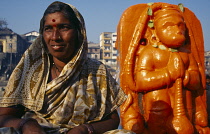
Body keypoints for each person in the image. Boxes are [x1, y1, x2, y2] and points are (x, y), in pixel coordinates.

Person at [0, 1, 130, 134]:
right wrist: (26, 124)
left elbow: (113, 120)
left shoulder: (96, 72)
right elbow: (3, 117)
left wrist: (85, 129)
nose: (55, 37)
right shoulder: (30, 71)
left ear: (79, 33)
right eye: (48, 29)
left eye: (64, 27)